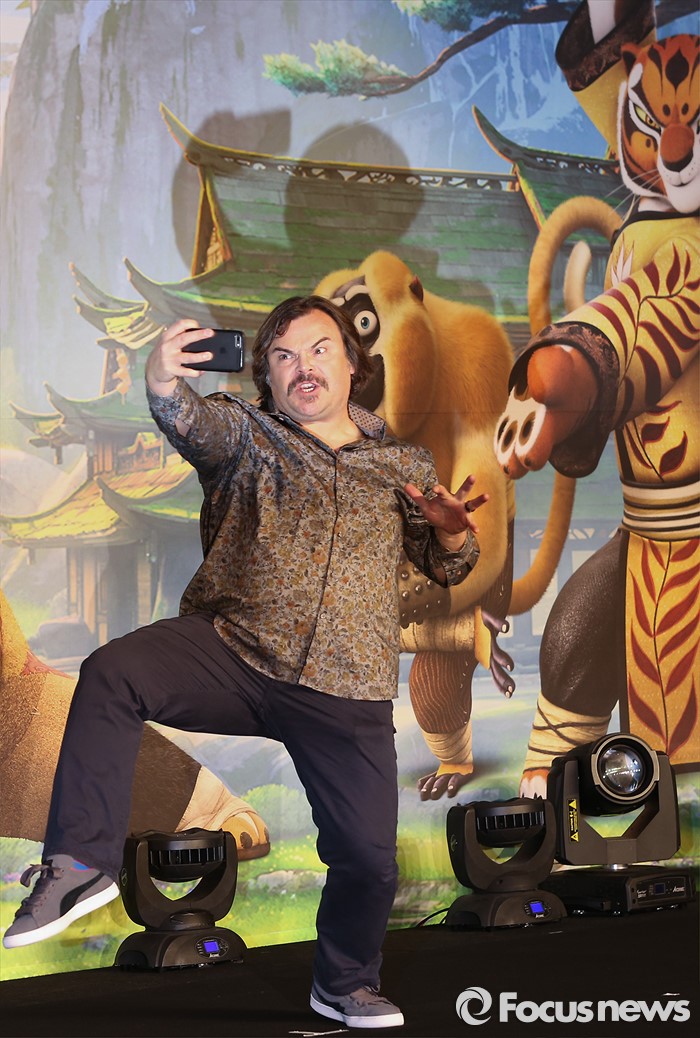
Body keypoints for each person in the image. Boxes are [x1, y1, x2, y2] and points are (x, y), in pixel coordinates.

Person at [3, 296, 486, 1029]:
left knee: (368, 860)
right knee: (112, 672)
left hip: (345, 684)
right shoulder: (246, 434)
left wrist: (451, 535)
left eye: (319, 350)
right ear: (268, 375)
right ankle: (77, 865)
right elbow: (187, 420)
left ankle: (345, 985)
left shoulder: (404, 464)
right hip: (233, 651)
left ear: (352, 365)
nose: (304, 367)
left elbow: (448, 566)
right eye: (284, 356)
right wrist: (161, 379)